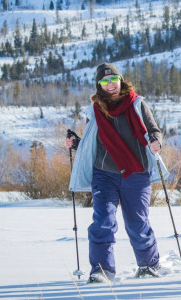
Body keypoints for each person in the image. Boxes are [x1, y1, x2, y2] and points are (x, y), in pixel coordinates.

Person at [66, 62, 165, 282]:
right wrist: (76, 143)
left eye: (113, 80)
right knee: (102, 221)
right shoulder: (95, 110)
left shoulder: (137, 104)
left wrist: (156, 141)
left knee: (137, 223)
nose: (110, 85)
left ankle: (149, 265)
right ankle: (101, 271)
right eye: (104, 81)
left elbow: (154, 131)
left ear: (120, 80)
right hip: (104, 173)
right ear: (99, 85)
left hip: (136, 172)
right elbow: (94, 142)